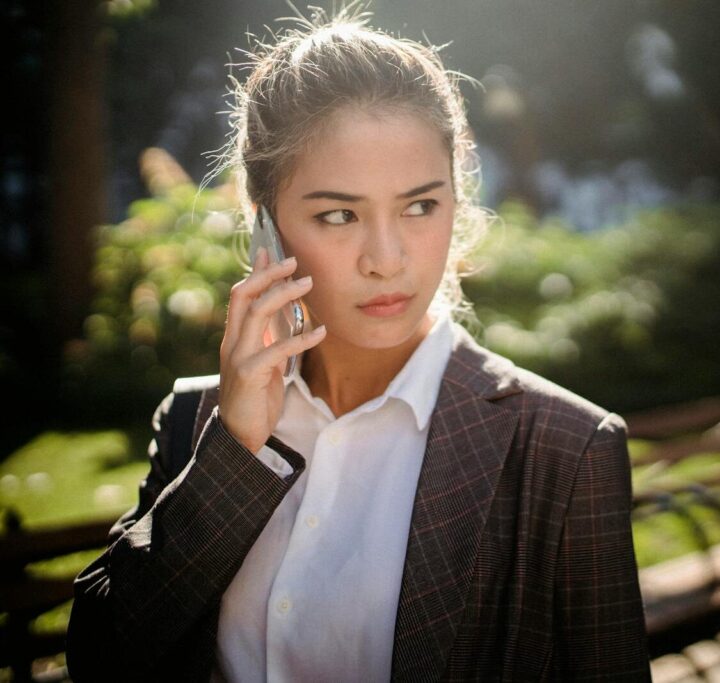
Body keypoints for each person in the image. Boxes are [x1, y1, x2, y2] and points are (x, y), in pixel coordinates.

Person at [66, 8, 650, 682]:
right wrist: (231, 454)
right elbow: (100, 660)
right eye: (339, 214)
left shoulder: (564, 450)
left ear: (457, 201)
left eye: (420, 206)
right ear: (266, 222)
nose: (386, 257)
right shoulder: (196, 424)